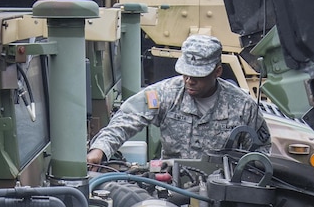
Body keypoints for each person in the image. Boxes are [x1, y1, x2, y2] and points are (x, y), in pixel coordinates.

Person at [87, 35, 271, 169]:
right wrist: (100, 148)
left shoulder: (243, 106)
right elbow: (126, 119)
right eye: (186, 73)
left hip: (221, 192)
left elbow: (260, 152)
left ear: (217, 72)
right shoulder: (165, 93)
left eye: (198, 75)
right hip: (171, 186)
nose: (189, 80)